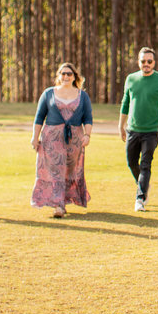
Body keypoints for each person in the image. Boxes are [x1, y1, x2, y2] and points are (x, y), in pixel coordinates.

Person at [30, 62, 93, 218]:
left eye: (69, 74)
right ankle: (59, 205)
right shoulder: (48, 93)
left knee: (69, 171)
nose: (66, 76)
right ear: (59, 76)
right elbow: (39, 118)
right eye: (63, 73)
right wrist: (34, 137)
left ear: (74, 77)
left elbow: (88, 118)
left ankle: (63, 201)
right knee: (56, 171)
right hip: (51, 139)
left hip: (74, 139)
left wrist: (87, 135)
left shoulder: (82, 96)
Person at [118, 47, 158, 212]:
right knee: (131, 162)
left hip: (151, 131)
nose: (146, 64)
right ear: (138, 62)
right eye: (143, 61)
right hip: (132, 129)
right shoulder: (131, 79)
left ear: (154, 63)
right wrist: (121, 125)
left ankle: (140, 198)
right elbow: (125, 103)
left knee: (145, 164)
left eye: (149, 61)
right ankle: (143, 185)